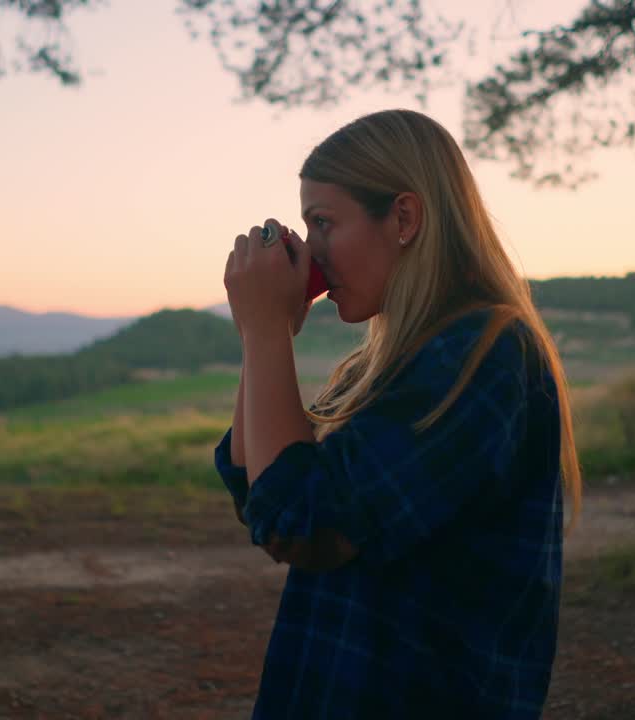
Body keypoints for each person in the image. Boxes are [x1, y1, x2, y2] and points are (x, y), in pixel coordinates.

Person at [215, 109, 582, 719]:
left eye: (324, 223)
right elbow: (259, 488)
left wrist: (265, 333)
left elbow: (300, 521)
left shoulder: (482, 355)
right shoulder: (379, 366)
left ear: (405, 218)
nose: (313, 252)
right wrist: (267, 336)